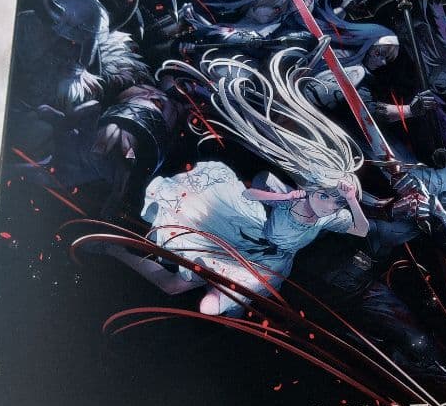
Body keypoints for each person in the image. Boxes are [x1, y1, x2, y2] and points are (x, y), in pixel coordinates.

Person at [90, 49, 369, 315]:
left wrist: (351, 201)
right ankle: (113, 247)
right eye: (326, 196)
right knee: (176, 284)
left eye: (336, 202)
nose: (329, 204)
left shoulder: (330, 218)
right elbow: (254, 190)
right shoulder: (290, 197)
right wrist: (283, 197)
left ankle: (116, 248)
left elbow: (361, 228)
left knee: (204, 299)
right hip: (241, 229)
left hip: (264, 264)